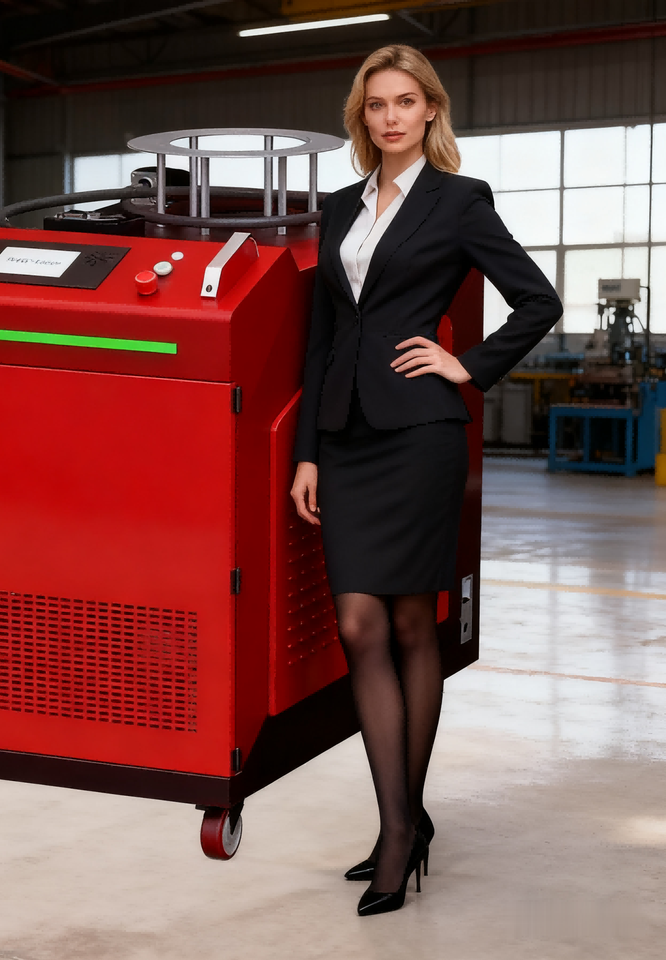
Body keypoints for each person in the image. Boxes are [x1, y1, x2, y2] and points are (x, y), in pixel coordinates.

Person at [289, 44, 562, 917]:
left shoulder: (459, 200)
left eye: (406, 102)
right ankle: (405, 821)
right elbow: (321, 341)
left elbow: (539, 300)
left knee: (411, 625)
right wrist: (307, 451)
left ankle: (398, 834)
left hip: (418, 437)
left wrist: (465, 364)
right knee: (357, 624)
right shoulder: (339, 208)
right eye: (377, 105)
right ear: (361, 116)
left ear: (431, 110)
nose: (391, 117)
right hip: (346, 440)